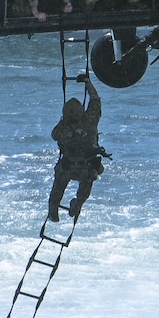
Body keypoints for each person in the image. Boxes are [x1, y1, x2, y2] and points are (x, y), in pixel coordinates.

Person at [47, 82, 107, 225]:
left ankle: (53, 209)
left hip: (69, 167)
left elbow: (54, 135)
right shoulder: (90, 120)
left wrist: (64, 123)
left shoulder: (62, 128)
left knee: (58, 187)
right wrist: (88, 83)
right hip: (86, 168)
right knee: (86, 185)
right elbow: (95, 99)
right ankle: (77, 204)